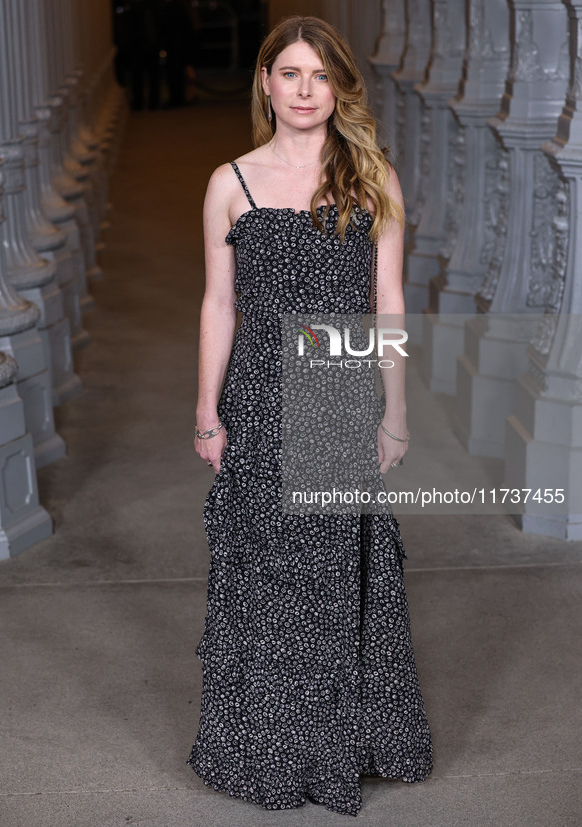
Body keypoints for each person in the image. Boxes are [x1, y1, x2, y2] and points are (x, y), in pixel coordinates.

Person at [187, 16, 434, 817]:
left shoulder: (370, 178)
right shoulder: (231, 181)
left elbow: (387, 301)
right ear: (264, 82)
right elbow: (218, 303)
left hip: (333, 389)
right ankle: (264, 749)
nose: (303, 90)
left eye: (319, 76)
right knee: (264, 577)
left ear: (338, 88)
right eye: (289, 73)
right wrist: (204, 411)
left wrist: (392, 413)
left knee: (324, 587)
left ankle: (327, 754)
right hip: (255, 395)